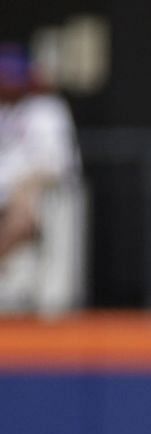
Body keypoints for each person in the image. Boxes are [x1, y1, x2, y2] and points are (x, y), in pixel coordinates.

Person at [0, 43, 82, 314]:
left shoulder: (46, 110)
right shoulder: (5, 112)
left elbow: (57, 165)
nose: (6, 83)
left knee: (23, 211)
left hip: (37, 195)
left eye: (11, 77)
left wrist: (26, 189)